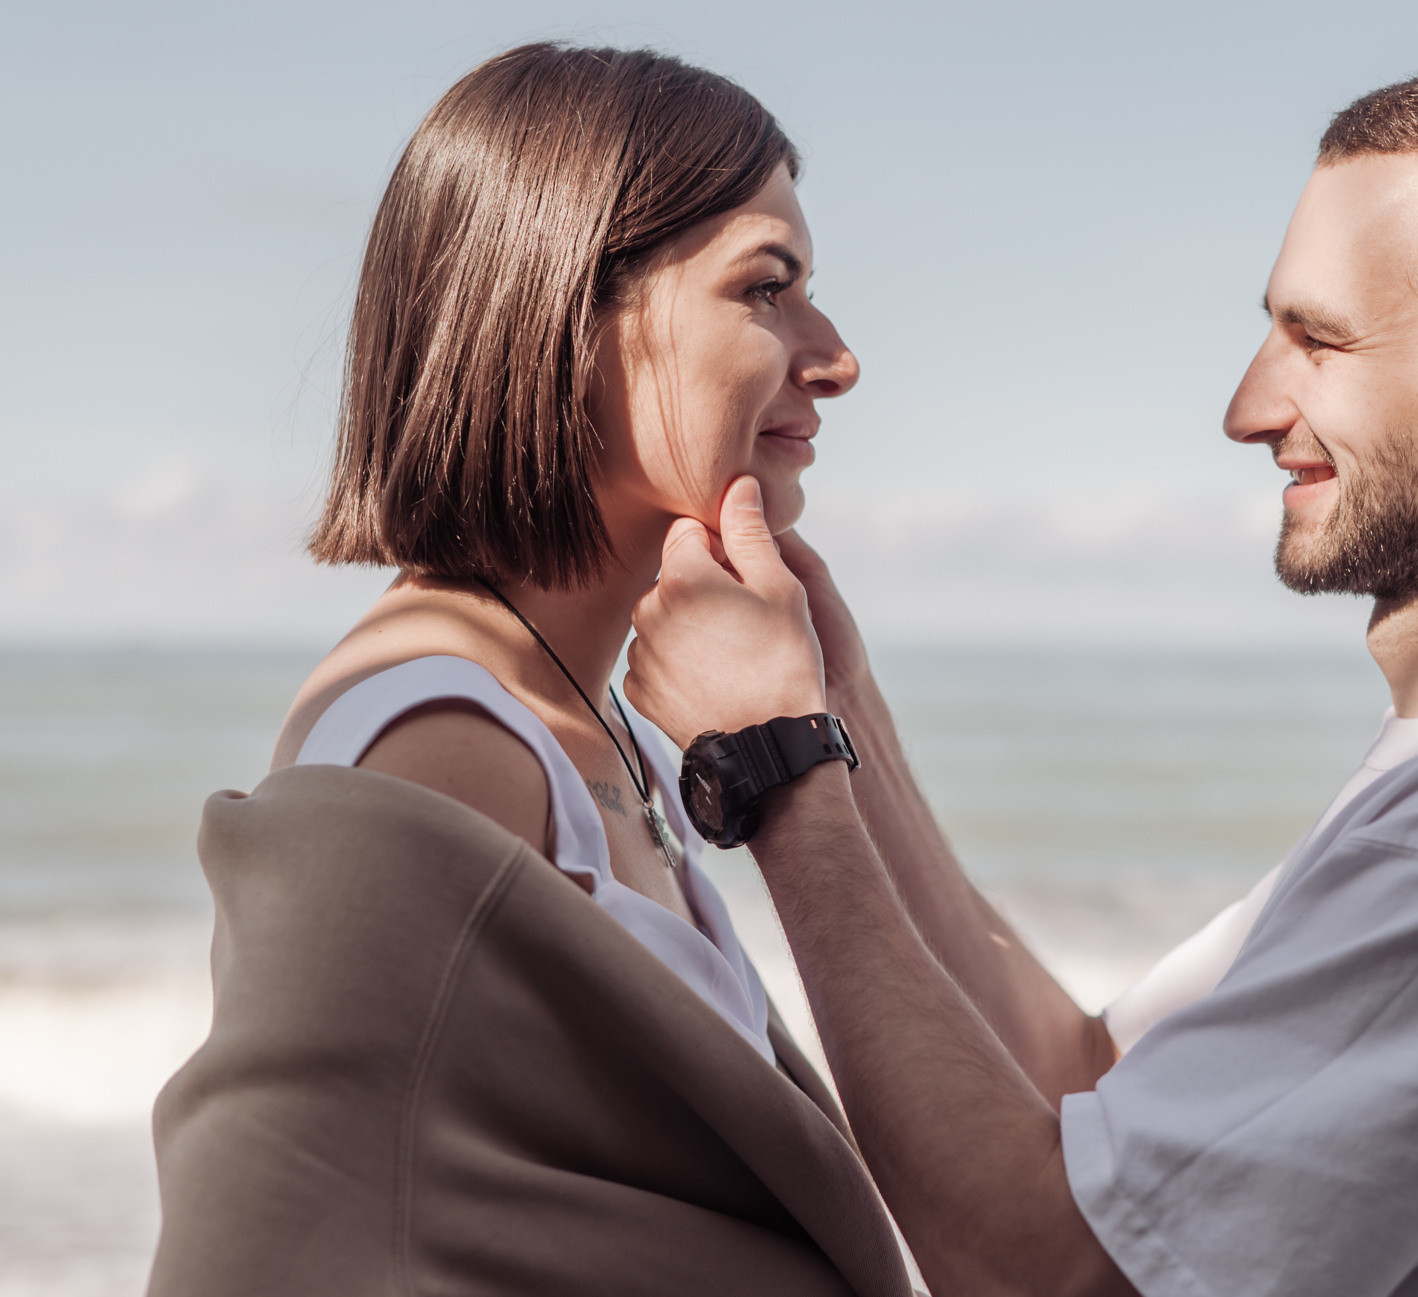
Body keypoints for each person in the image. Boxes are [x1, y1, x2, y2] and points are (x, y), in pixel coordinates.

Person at [623, 50, 1418, 1297]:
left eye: (1319, 339)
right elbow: (1089, 1082)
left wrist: (783, 770)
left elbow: (1048, 1274)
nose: (1248, 406)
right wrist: (846, 717)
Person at [148, 43, 911, 1297]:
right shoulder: (441, 744)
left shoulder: (576, 717)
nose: (833, 355)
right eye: (767, 288)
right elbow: (264, 1246)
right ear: (563, 312)